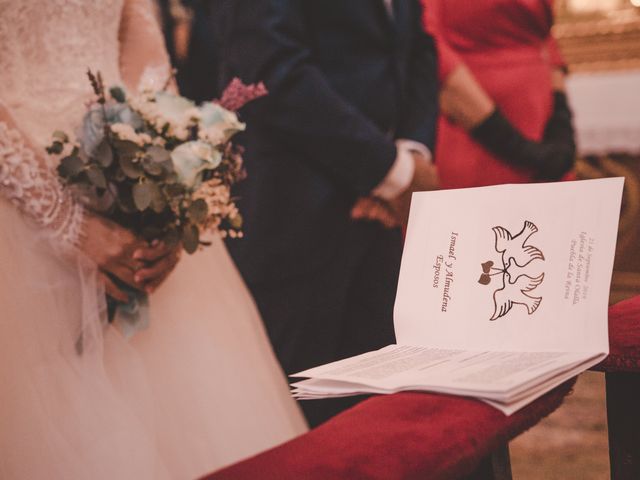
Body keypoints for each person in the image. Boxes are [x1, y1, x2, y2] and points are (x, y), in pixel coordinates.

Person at [0, 1, 307, 478]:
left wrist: (165, 168)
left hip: (123, 153)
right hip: (18, 199)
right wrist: (64, 219)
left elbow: (138, 25)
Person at [212, 0, 440, 427]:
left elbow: (416, 47)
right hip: (294, 218)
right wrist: (392, 171)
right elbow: (269, 66)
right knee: (302, 429)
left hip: (381, 218)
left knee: (387, 425)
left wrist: (411, 148)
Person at [426, 0, 576, 189]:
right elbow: (428, 42)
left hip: (543, 125)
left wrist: (561, 121)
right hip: (475, 130)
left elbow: (545, 37)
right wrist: (510, 142)